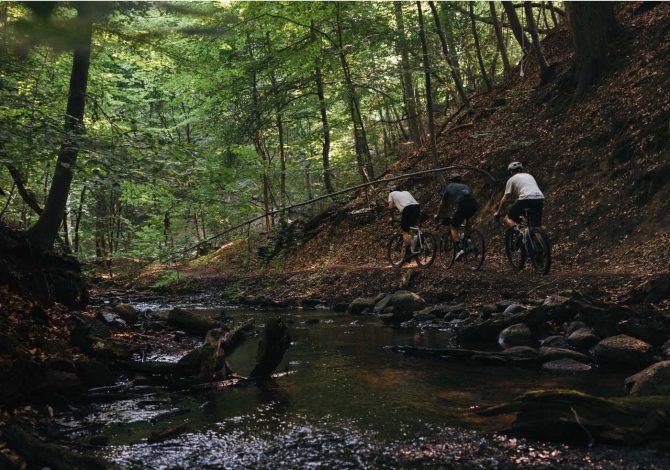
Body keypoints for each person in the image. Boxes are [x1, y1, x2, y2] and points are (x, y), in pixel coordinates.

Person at [433, 174, 478, 260]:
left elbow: (442, 204)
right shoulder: (465, 186)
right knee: (466, 217)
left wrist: (438, 215)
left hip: (462, 204)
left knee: (453, 227)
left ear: (451, 181)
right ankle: (468, 238)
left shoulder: (449, 186)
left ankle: (459, 250)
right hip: (473, 203)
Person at [494, 161, 544, 228]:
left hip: (525, 199)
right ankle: (540, 237)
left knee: (507, 219)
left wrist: (498, 212)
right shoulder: (529, 176)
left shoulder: (511, 179)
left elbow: (505, 199)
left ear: (511, 172)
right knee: (536, 227)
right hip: (539, 198)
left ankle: (518, 233)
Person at [388, 185, 421, 260]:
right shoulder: (406, 192)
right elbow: (409, 203)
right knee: (414, 227)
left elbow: (390, 207)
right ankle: (418, 245)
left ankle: (408, 252)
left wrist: (391, 218)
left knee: (405, 231)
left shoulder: (391, 194)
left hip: (407, 209)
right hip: (417, 207)